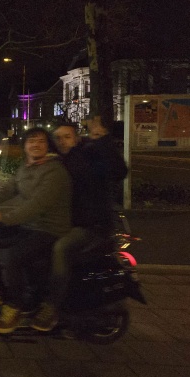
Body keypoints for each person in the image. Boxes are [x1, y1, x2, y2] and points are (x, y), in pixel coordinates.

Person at [32, 117, 128, 331]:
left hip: (92, 226)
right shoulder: (55, 161)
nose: (62, 141)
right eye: (57, 138)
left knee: (61, 248)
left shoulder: (89, 156)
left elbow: (118, 171)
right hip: (66, 223)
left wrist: (103, 140)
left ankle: (51, 307)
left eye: (67, 137)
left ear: (77, 138)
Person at [0, 127, 72, 334]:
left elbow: (36, 205)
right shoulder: (26, 167)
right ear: (24, 146)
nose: (36, 145)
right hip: (29, 225)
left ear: (48, 145)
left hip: (49, 229)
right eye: (31, 141)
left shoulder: (54, 171)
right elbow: (10, 187)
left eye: (41, 141)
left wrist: (4, 217)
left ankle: (15, 306)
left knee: (14, 256)